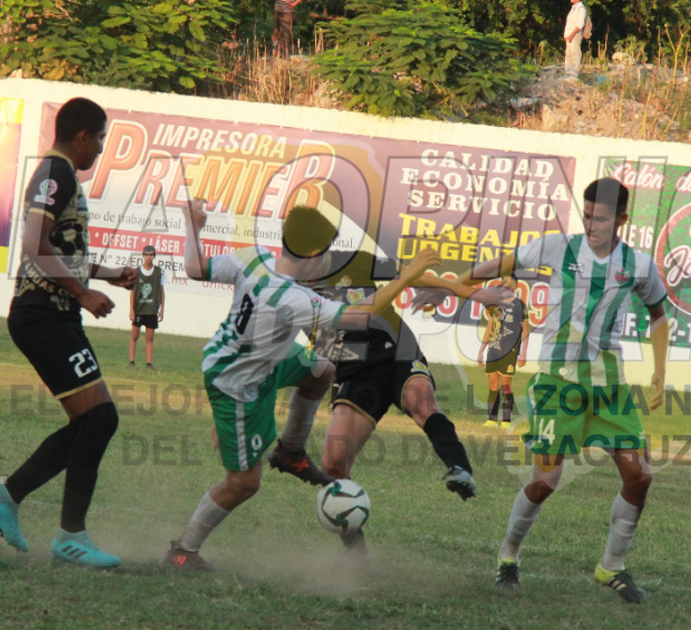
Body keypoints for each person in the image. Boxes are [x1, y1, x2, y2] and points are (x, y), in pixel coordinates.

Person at [421, 178, 671, 603]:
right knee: (545, 480)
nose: (591, 225)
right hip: (558, 384)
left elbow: (659, 314)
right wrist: (450, 288)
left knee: (640, 474)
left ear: (623, 221)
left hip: (610, 389)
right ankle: (508, 557)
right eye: (587, 216)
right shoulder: (557, 248)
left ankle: (611, 567)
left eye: (602, 219)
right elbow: (496, 264)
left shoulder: (640, 265)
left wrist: (660, 373)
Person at [163, 203, 441, 571]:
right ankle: (184, 550)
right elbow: (360, 314)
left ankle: (291, 451)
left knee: (321, 366)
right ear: (313, 254)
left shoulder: (254, 257)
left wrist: (192, 225)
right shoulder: (295, 299)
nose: (329, 260)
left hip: (254, 358)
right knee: (244, 483)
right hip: (240, 384)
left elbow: (196, 268)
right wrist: (406, 278)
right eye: (327, 253)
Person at [0, 98, 139, 569]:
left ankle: (12, 499)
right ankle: (67, 534)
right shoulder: (57, 172)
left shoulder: (60, 174)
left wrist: (104, 274)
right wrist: (83, 293)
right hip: (43, 312)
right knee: (100, 419)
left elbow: (59, 247)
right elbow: (34, 246)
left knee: (95, 420)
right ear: (83, 135)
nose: (101, 150)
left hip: (52, 312)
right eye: (101, 139)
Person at [293, 247, 514, 554]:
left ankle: (460, 468)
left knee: (421, 403)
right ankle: (357, 557)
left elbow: (417, 277)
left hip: (395, 348)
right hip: (353, 370)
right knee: (333, 463)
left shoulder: (353, 259)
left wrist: (476, 296)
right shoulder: (285, 286)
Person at [478, 295, 530, 428]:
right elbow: (489, 329)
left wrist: (523, 352)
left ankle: (506, 421)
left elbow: (525, 330)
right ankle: (492, 419)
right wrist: (481, 350)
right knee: (492, 384)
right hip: (493, 350)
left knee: (506, 385)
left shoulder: (519, 305)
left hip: (509, 351)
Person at [128, 245, 164, 369]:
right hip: (139, 309)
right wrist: (131, 309)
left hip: (151, 309)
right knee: (134, 335)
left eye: (151, 255)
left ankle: (149, 363)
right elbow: (132, 291)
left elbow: (161, 291)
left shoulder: (159, 272)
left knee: (150, 337)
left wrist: (162, 309)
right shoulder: (136, 272)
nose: (149, 257)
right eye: (146, 255)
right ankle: (131, 361)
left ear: (154, 256)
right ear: (143, 255)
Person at [563, 0, 589, 80]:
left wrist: (572, 34)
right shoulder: (573, 8)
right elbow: (569, 23)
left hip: (575, 35)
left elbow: (580, 24)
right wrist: (566, 34)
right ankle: (568, 73)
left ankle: (574, 74)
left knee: (575, 54)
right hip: (569, 35)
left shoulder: (581, 9)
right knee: (569, 55)